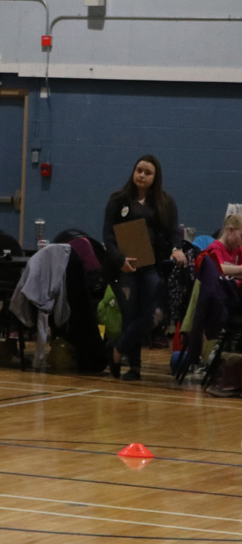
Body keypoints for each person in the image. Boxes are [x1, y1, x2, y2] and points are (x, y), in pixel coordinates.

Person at [103, 154, 186, 381]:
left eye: (148, 173)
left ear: (155, 178)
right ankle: (134, 368)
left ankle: (117, 349)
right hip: (124, 267)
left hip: (152, 267)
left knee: (156, 312)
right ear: (133, 171)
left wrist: (177, 248)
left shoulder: (165, 202)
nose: (142, 175)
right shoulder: (118, 199)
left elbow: (173, 233)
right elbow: (108, 236)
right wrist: (120, 259)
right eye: (139, 170)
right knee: (130, 315)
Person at [204, 214, 242, 280]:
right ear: (230, 230)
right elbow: (219, 268)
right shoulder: (215, 248)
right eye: (241, 236)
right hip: (218, 289)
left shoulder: (237, 249)